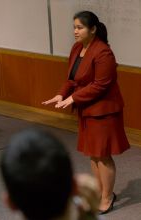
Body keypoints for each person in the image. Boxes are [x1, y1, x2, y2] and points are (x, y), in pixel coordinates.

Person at [42, 11, 130, 214]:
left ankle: (107, 198)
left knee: (103, 156)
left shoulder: (103, 52)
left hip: (103, 112)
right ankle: (100, 193)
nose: (75, 31)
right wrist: (61, 95)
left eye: (79, 27)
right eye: (74, 27)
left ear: (93, 29)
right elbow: (72, 79)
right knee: (93, 155)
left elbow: (100, 85)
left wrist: (72, 98)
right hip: (87, 110)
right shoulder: (77, 48)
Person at [0, 128, 100, 220]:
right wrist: (90, 214)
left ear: (9, 202)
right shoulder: (87, 212)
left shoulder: (12, 202)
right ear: (74, 185)